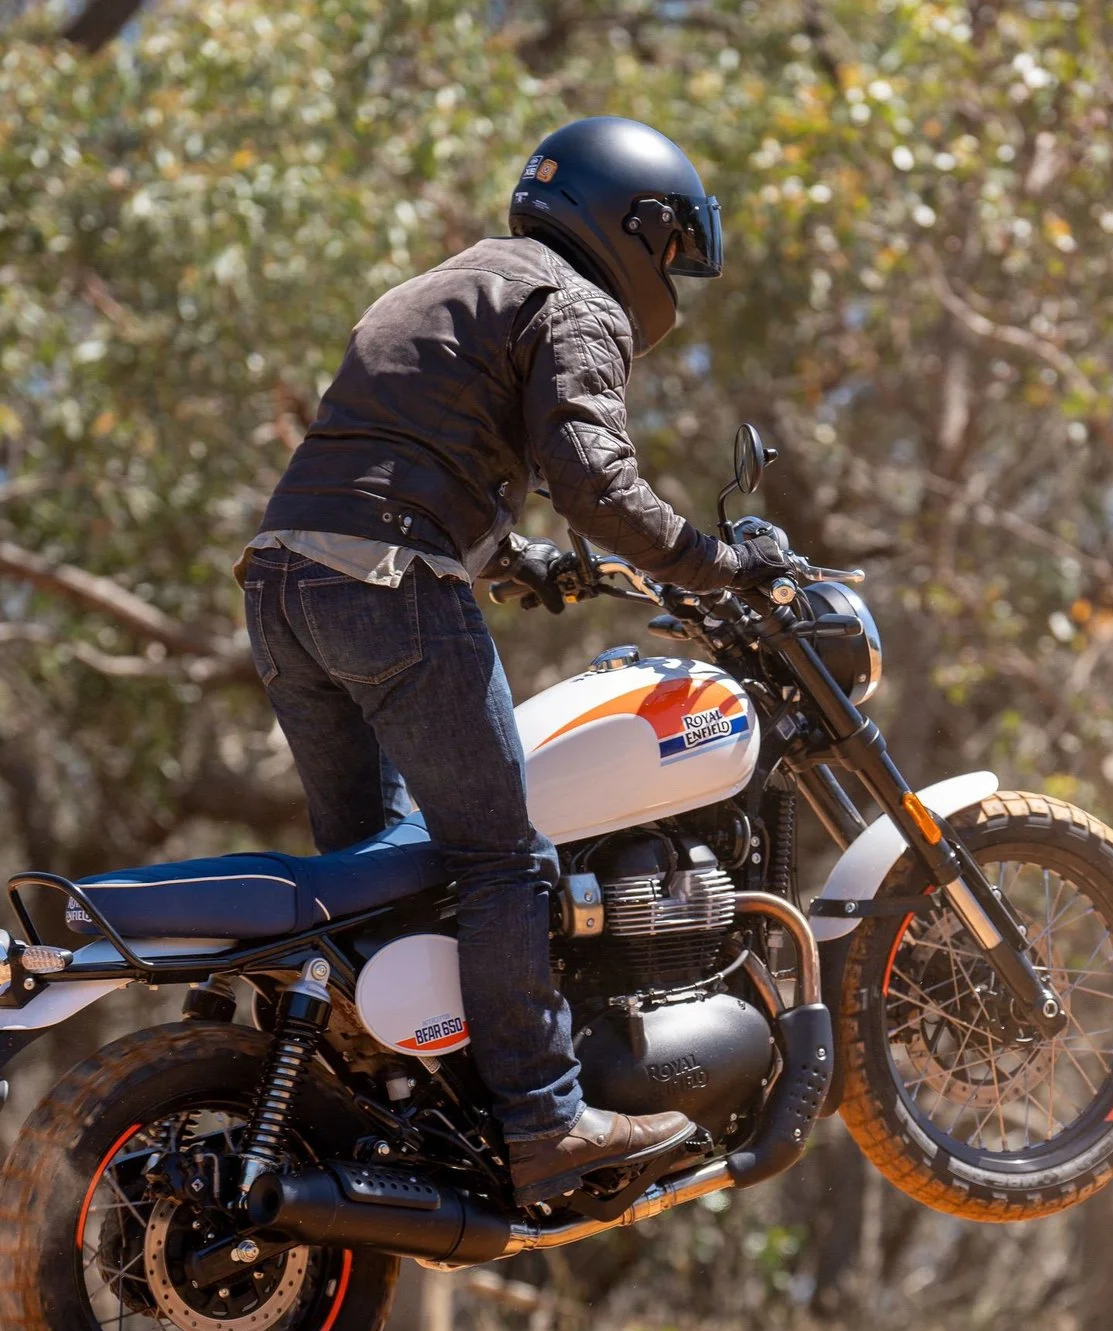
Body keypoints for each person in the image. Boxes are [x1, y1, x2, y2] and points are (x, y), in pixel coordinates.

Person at [239, 116, 786, 1207]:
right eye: (673, 247)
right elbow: (594, 479)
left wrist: (522, 558)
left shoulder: (440, 285)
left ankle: (392, 1093)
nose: (671, 275)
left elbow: (404, 452)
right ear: (631, 222)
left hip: (281, 583)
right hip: (389, 587)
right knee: (503, 860)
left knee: (380, 872)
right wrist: (715, 565)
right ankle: (543, 1119)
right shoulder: (574, 302)